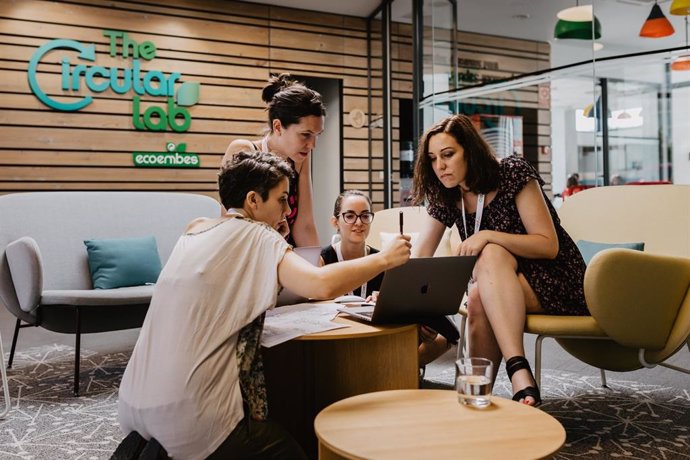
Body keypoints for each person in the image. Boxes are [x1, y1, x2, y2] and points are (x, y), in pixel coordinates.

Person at [117, 151, 411, 460]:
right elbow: (320, 283)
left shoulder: (196, 228)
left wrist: (271, 236)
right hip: (190, 417)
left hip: (133, 402)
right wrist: (384, 259)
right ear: (253, 200)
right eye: (282, 200)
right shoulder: (257, 236)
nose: (287, 211)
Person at [411, 114, 588, 406]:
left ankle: (514, 371)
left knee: (489, 253)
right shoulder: (446, 194)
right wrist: (394, 293)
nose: (439, 166)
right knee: (479, 293)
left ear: (470, 150)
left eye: (448, 154)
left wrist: (488, 235)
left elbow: (549, 245)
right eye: (432, 158)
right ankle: (482, 395)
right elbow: (419, 258)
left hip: (556, 279)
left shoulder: (512, 172)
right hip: (497, 285)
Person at [320, 189, 450, 367]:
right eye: (350, 216)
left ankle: (399, 370)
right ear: (335, 221)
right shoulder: (324, 258)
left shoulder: (383, 259)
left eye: (365, 216)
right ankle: (398, 370)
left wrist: (383, 301)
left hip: (375, 334)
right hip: (338, 334)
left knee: (443, 337)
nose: (359, 222)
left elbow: (398, 307)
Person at [222, 73, 325, 247]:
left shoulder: (299, 159)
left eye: (317, 136)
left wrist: (316, 263)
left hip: (284, 253)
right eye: (305, 135)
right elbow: (231, 226)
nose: (312, 145)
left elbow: (305, 226)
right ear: (278, 126)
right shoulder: (244, 151)